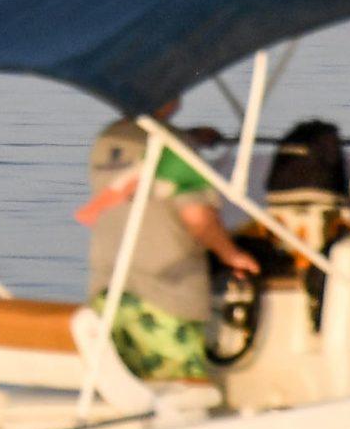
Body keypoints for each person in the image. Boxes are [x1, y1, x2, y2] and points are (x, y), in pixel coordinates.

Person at [79, 98, 258, 381]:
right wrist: (231, 255)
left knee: (128, 383)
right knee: (180, 388)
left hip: (109, 292)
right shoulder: (175, 147)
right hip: (163, 297)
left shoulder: (109, 137)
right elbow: (198, 217)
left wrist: (190, 137)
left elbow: (148, 166)